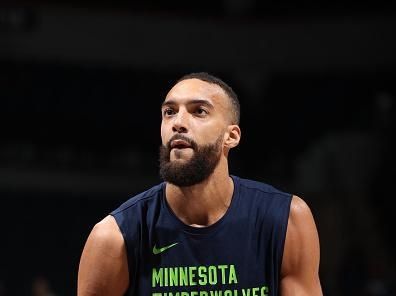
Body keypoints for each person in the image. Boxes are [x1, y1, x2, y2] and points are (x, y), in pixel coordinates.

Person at [77, 72, 322, 296]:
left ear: (232, 136)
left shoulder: (285, 219)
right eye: (169, 112)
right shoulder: (114, 237)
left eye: (199, 111)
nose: (178, 122)